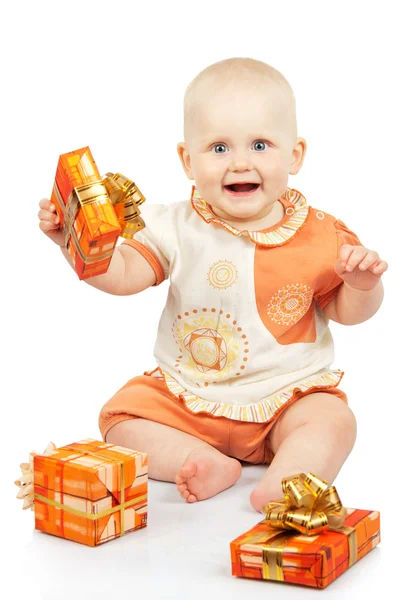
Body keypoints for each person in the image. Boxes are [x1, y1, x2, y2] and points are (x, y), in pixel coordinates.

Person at [38, 57, 388, 512]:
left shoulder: (322, 234)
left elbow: (349, 313)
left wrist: (362, 285)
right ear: (187, 160)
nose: (240, 162)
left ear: (295, 155)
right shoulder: (173, 226)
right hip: (188, 400)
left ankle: (285, 483)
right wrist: (74, 242)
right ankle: (197, 458)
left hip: (286, 399)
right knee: (119, 417)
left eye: (261, 145)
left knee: (335, 420)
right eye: (218, 148)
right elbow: (124, 276)